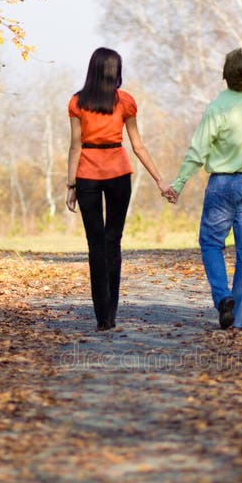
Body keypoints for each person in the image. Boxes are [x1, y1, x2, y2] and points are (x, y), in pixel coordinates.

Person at [166, 48, 242, 330]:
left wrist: (178, 184)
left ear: (225, 77)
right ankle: (239, 321)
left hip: (222, 185)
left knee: (211, 243)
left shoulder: (217, 108)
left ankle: (223, 296)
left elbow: (197, 150)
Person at [67, 47, 168, 330]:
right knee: (113, 241)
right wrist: (159, 180)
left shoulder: (77, 102)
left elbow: (75, 145)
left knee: (95, 244)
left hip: (87, 174)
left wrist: (70, 184)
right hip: (119, 174)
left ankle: (102, 317)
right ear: (115, 70)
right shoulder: (125, 102)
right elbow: (137, 145)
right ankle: (111, 313)